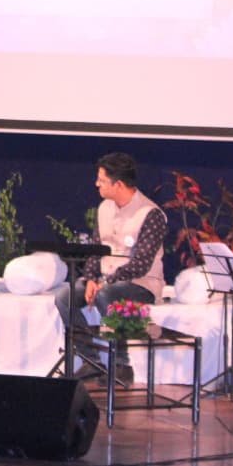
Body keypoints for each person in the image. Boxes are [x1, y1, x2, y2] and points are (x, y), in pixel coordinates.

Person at [53, 152, 167, 385]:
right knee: (65, 297)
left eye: (102, 180)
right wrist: (91, 278)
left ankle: (122, 365)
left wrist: (105, 282)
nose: (97, 184)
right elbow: (96, 249)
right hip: (105, 279)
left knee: (107, 294)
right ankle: (91, 360)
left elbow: (141, 263)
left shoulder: (150, 214)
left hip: (140, 283)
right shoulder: (104, 208)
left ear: (119, 184)